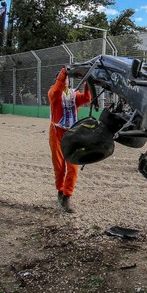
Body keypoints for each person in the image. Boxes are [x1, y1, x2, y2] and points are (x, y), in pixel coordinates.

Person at [48, 67, 91, 213]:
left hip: (71, 133)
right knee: (59, 165)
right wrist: (63, 73)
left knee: (72, 165)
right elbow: (56, 91)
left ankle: (67, 195)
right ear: (58, 80)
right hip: (56, 132)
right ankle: (60, 190)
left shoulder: (73, 94)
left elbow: (86, 98)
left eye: (67, 78)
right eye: (63, 78)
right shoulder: (53, 93)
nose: (66, 80)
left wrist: (88, 82)